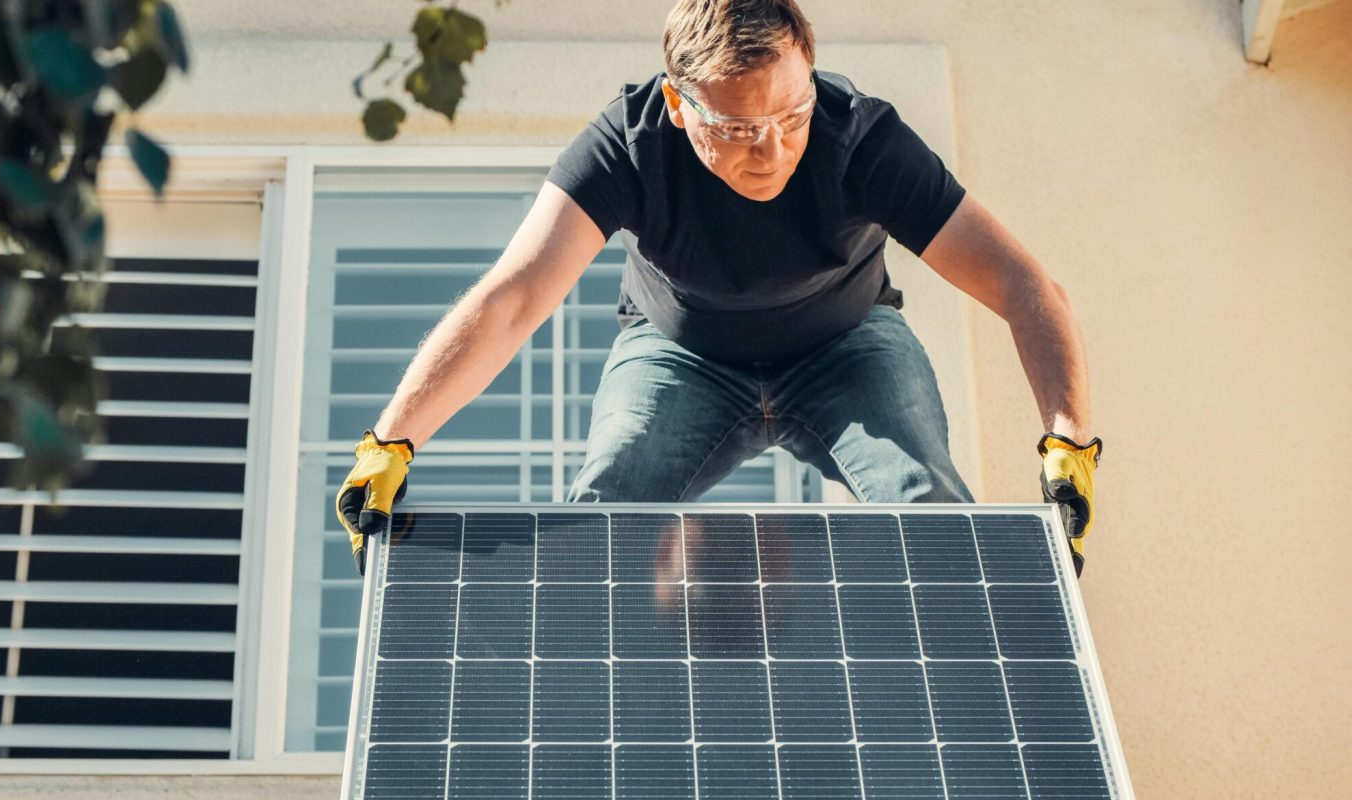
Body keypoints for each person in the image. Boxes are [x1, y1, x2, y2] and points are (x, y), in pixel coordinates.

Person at [336, 0, 1103, 578]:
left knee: (928, 505)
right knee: (604, 510)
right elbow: (512, 299)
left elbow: (1024, 285)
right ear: (679, 105)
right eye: (738, 129)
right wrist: (392, 440)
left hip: (848, 347)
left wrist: (1068, 442)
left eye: (793, 113)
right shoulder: (629, 146)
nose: (772, 149)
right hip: (680, 357)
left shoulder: (865, 142)